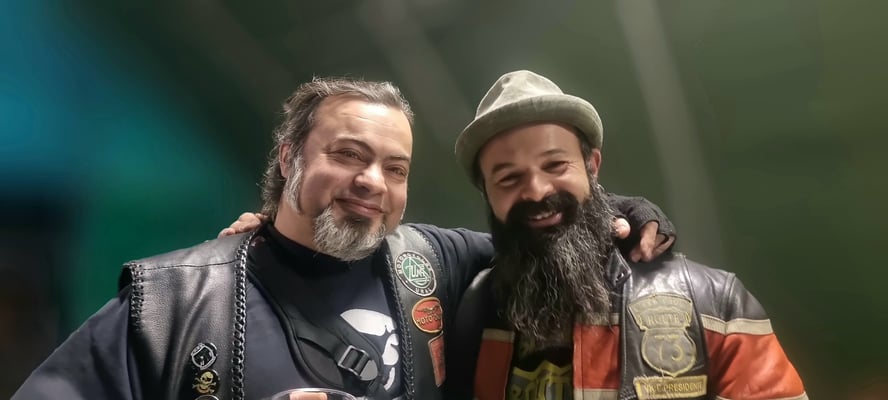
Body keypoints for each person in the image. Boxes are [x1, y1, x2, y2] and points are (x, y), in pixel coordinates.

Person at [13, 77, 674, 400]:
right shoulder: (172, 302)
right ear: (288, 158)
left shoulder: (436, 262)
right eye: (348, 155)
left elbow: (543, 235)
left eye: (395, 168)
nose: (371, 182)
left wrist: (618, 211)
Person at [442, 70, 808, 400]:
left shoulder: (713, 302)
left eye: (555, 165)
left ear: (592, 166)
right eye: (508, 178)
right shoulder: (471, 311)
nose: (537, 191)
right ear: (487, 193)